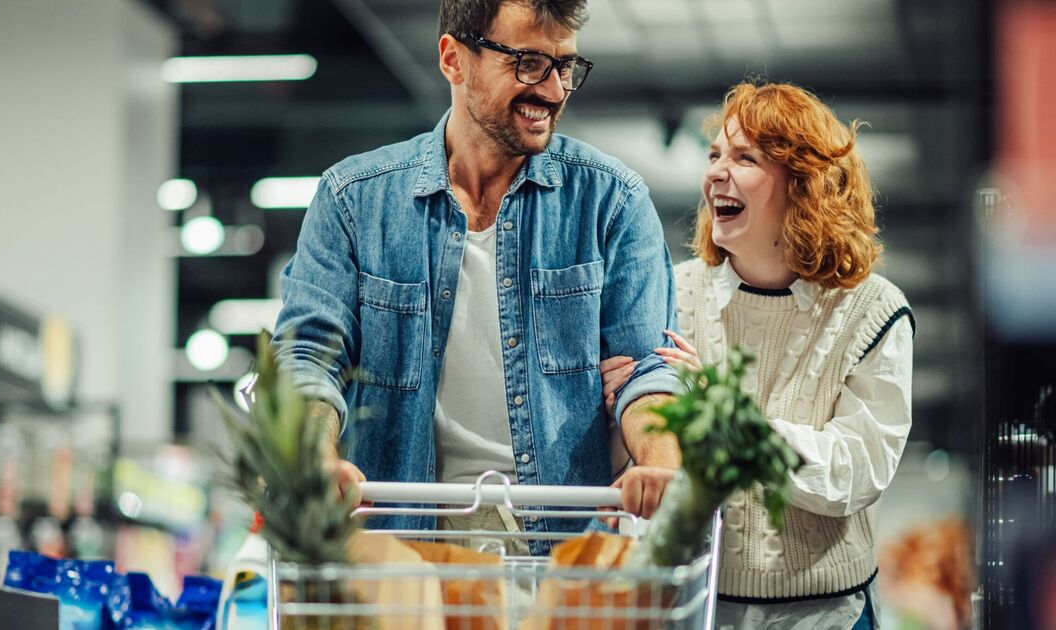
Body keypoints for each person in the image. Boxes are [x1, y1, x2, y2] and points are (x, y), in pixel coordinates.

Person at [272, 0, 683, 556]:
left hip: (561, 551)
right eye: (529, 62)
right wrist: (317, 461)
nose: (554, 89)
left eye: (565, 67)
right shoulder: (354, 201)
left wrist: (659, 467)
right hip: (401, 547)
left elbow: (646, 371)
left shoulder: (612, 202)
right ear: (453, 59)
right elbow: (308, 358)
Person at [602, 82, 914, 628]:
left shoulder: (873, 310)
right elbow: (637, 469)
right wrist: (620, 409)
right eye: (715, 155)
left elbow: (855, 471)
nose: (716, 173)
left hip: (827, 614)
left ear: (804, 184)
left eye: (744, 157)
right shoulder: (671, 294)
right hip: (695, 607)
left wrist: (729, 417)